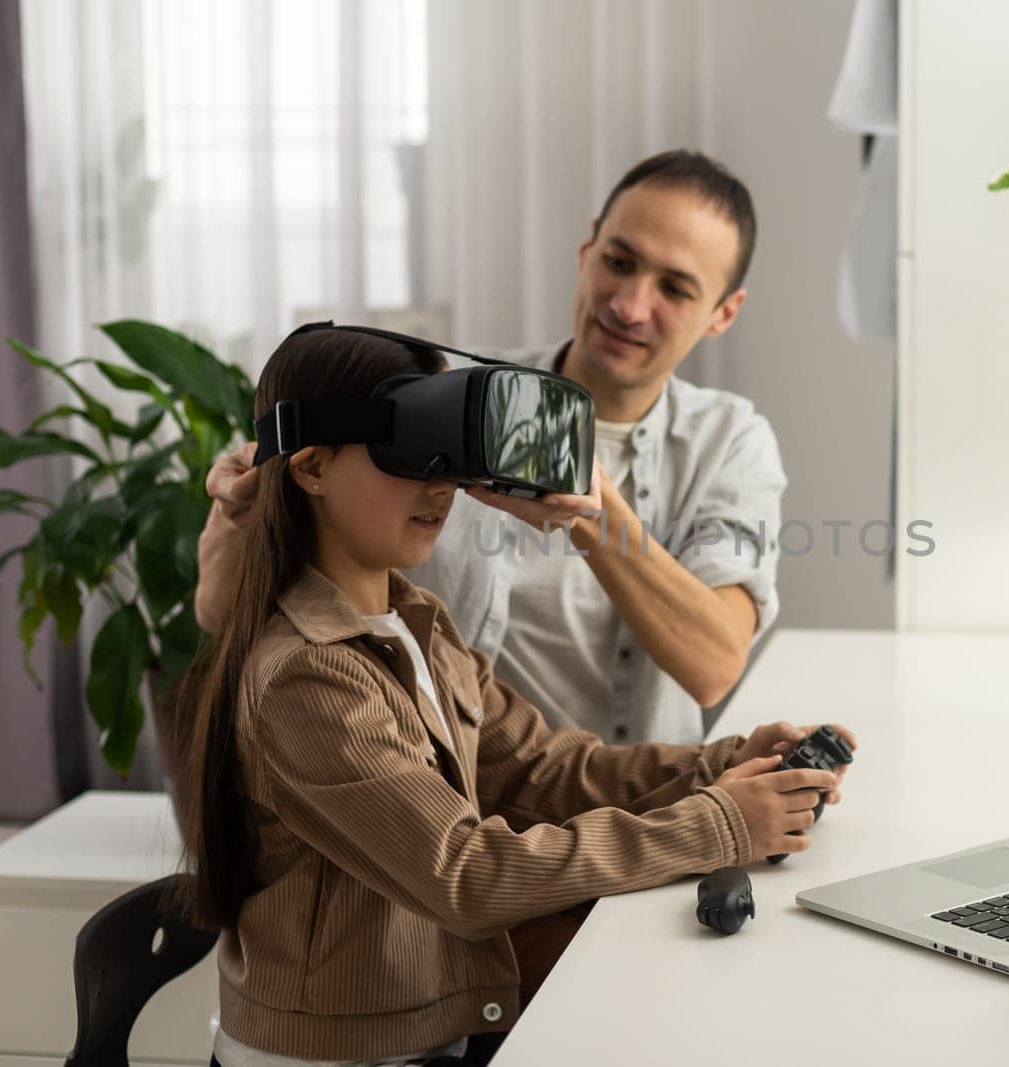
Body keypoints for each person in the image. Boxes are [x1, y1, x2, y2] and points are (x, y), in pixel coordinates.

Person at [177, 325, 853, 1067]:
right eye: (412, 451)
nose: (441, 486)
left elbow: (544, 770)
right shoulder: (307, 677)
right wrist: (718, 825)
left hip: (435, 1035)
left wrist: (716, 766)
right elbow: (466, 873)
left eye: (451, 458)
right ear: (310, 467)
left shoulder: (416, 625)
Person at [196, 149, 786, 746]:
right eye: (618, 261)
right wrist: (241, 508)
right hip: (444, 795)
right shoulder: (445, 396)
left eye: (676, 288)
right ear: (587, 252)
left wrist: (595, 515)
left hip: (630, 803)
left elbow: (714, 667)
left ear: (723, 313)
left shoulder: (731, 443)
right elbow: (220, 612)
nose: (630, 305)